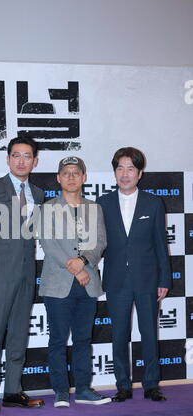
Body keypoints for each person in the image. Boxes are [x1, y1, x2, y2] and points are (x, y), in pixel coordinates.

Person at [0, 135, 45, 413]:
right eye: (16, 155)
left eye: (27, 156)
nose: (21, 160)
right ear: (8, 159)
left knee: (18, 334)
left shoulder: (37, 194)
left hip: (27, 273)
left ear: (34, 161)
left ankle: (13, 391)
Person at [97, 147, 171, 402]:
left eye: (130, 168)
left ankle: (151, 384)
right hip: (117, 280)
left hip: (147, 279)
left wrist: (164, 279)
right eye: (120, 168)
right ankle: (123, 385)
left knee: (149, 333)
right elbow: (97, 243)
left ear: (140, 173)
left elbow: (161, 244)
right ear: (115, 172)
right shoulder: (103, 203)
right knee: (119, 334)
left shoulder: (153, 203)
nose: (125, 173)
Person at [39, 156, 111, 407]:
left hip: (87, 283)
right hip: (58, 284)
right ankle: (60, 392)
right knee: (58, 340)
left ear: (84, 177)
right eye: (66, 173)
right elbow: (48, 244)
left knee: (83, 340)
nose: (71, 176)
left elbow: (100, 242)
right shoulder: (47, 208)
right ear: (59, 178)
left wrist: (83, 261)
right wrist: (75, 268)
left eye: (76, 172)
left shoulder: (95, 208)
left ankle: (83, 389)